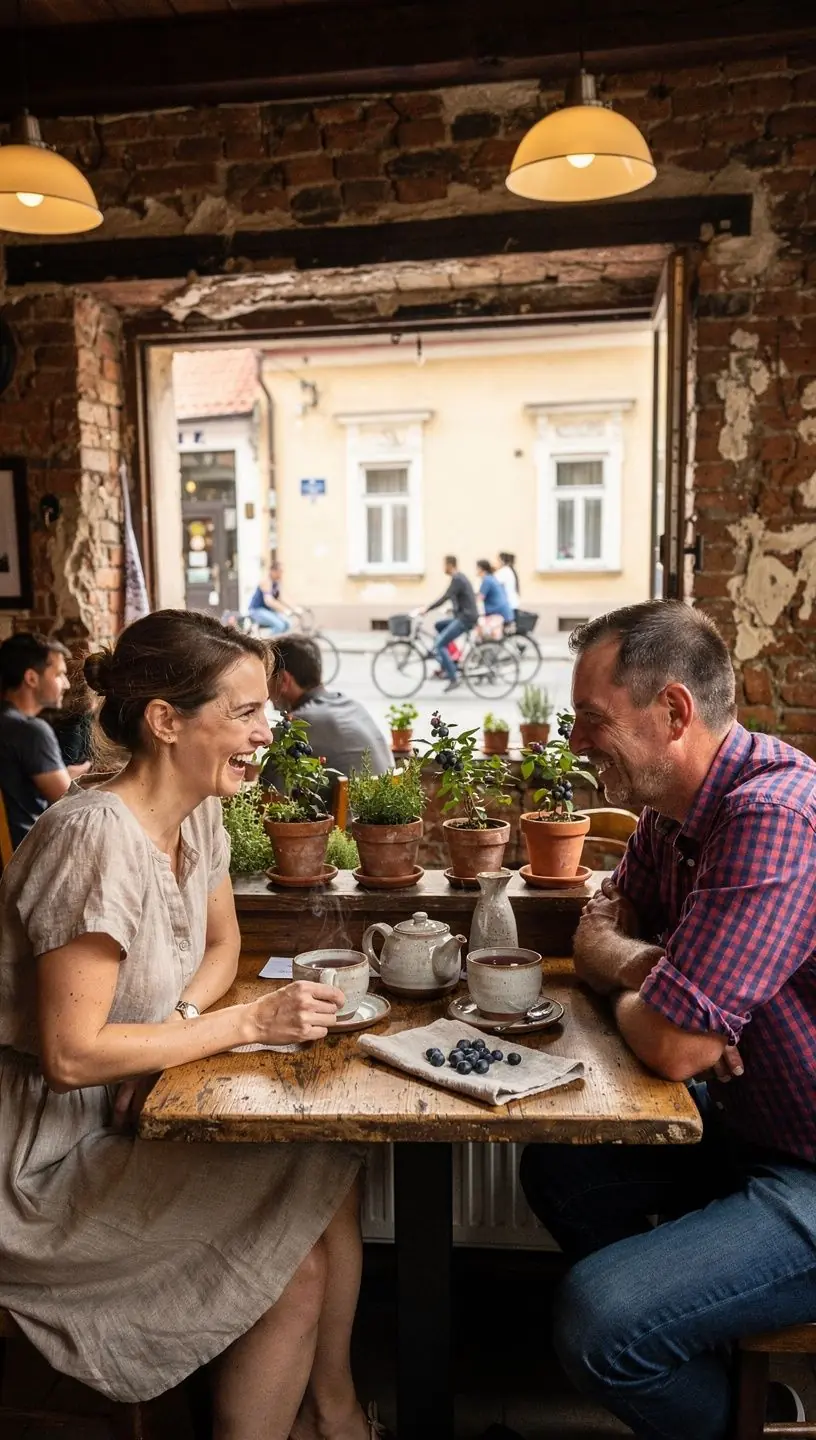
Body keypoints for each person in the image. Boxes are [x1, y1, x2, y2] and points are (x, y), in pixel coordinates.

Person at [0, 609, 382, 1440]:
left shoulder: (198, 810)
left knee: (330, 1165)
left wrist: (170, 1030)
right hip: (38, 1166)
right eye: (243, 712)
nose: (265, 729)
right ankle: (329, 1418)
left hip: (113, 1116)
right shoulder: (94, 836)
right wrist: (244, 1024)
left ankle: (331, 1411)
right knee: (294, 1264)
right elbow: (71, 1056)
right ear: (166, 722)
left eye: (264, 710)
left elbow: (223, 946)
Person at [519, 600, 816, 1440]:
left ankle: (736, 1422)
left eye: (592, 720)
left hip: (808, 1165)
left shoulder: (773, 816)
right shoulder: (673, 813)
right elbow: (608, 927)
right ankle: (729, 1388)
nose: (575, 741)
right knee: (560, 1167)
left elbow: (675, 1042)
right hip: (752, 1130)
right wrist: (652, 974)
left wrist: (646, 983)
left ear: (674, 712)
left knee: (600, 1322)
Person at [0, 632, 90, 849]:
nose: (67, 684)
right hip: (27, 856)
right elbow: (69, 803)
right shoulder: (30, 731)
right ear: (31, 678)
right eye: (59, 675)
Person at [265, 633, 391, 780]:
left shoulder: (297, 724)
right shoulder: (353, 707)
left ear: (283, 679)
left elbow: (270, 794)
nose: (266, 693)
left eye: (267, 678)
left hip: (345, 803)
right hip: (386, 799)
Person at [420, 554, 479, 692]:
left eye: (444, 565)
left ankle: (453, 677)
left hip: (466, 618)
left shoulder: (457, 579)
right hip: (463, 616)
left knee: (439, 644)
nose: (443, 568)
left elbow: (445, 596)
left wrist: (427, 608)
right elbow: (457, 598)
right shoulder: (459, 578)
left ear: (450, 565)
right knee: (439, 626)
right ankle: (447, 662)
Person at [247, 560, 297, 636]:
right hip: (257, 610)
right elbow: (269, 601)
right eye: (279, 571)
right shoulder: (266, 582)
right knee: (280, 625)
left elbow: (282, 598)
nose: (281, 574)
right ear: (273, 571)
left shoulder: (276, 583)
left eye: (282, 571)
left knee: (288, 624)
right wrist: (285, 610)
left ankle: (278, 643)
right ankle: (267, 644)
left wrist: (295, 608)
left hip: (267, 611)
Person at [475, 558, 514, 633]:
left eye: (477, 568)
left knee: (481, 627)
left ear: (480, 569)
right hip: (504, 612)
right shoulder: (491, 578)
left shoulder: (487, 580)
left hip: (498, 613)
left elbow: (480, 598)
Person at [495, 552, 520, 617]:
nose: (495, 563)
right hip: (513, 604)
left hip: (507, 606)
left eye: (497, 560)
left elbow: (493, 584)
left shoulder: (503, 571)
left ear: (502, 561)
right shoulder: (509, 570)